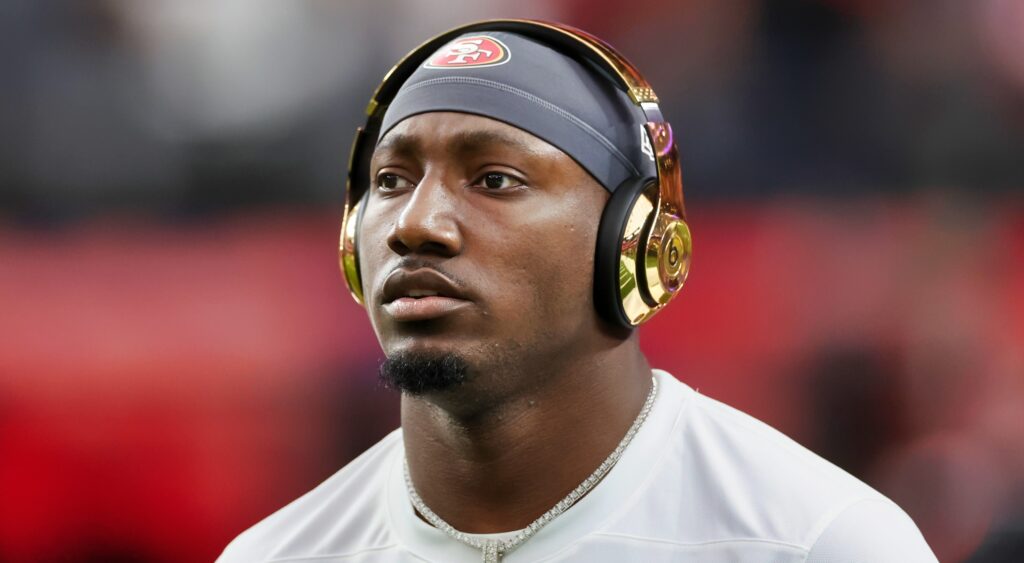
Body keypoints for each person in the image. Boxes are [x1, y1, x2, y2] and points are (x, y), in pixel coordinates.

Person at [219, 19, 937, 563]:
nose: (417, 224)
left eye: (494, 178)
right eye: (391, 181)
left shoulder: (817, 541)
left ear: (635, 239)